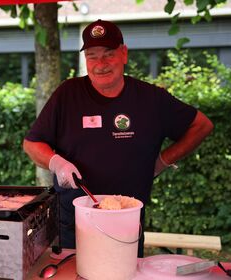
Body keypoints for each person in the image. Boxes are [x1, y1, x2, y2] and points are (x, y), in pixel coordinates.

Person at [23, 19, 214, 257]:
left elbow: (201, 125)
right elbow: (32, 143)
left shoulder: (151, 99)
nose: (100, 64)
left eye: (108, 54)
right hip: (73, 225)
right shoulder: (68, 94)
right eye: (92, 55)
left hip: (127, 222)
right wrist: (56, 163)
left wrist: (163, 161)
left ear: (124, 54)